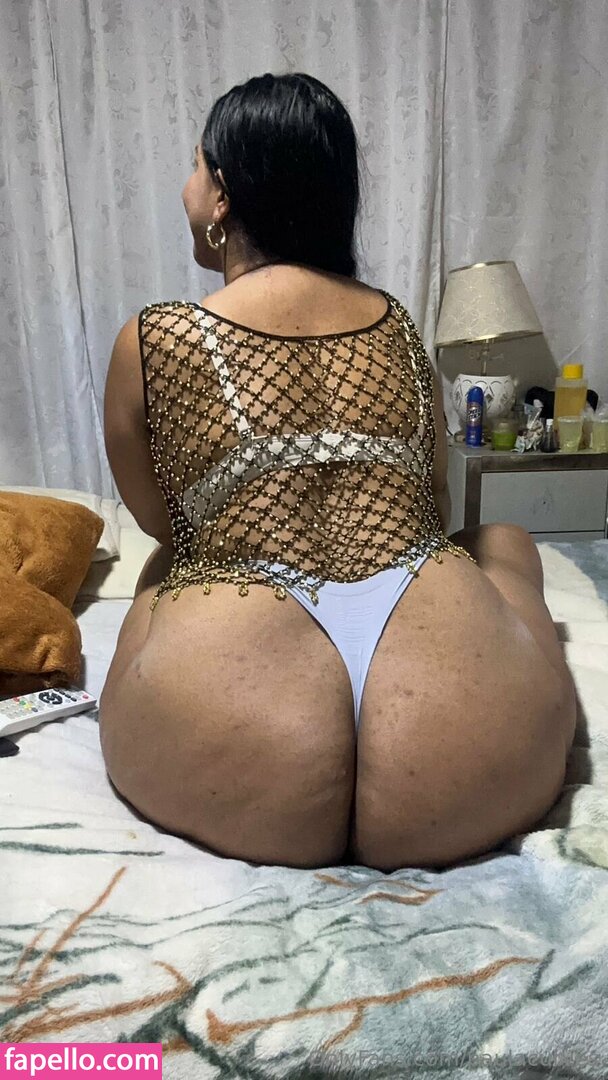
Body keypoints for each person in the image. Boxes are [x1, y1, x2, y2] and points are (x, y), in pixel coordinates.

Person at [100, 72, 576, 871]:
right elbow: (432, 506)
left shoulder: (155, 337)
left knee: (160, 568)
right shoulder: (396, 325)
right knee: (502, 541)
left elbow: (161, 520)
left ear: (224, 194)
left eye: (195, 166)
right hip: (472, 751)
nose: (187, 187)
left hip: (232, 753)